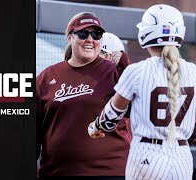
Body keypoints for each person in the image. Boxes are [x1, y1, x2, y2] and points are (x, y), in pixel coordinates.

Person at [88, 4, 196, 180]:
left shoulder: (137, 71)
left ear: (147, 33)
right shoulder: (193, 71)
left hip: (147, 154)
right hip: (182, 157)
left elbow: (112, 114)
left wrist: (96, 127)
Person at [36, 12, 132, 178]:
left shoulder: (114, 72)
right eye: (82, 33)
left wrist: (125, 65)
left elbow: (136, 107)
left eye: (96, 34)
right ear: (70, 38)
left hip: (109, 173)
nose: (90, 39)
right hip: (57, 173)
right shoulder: (46, 77)